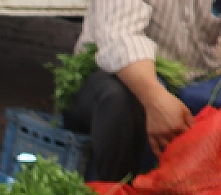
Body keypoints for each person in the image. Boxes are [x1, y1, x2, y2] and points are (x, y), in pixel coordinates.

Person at [62, 0, 221, 180]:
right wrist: (156, 99)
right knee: (119, 97)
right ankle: (114, 194)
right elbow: (120, 36)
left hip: (195, 80)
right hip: (114, 72)